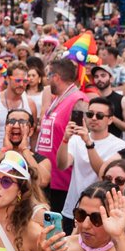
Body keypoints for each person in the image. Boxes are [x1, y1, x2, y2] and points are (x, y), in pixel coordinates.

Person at [57, 97, 125, 227]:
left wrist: (88, 143)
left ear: (110, 120)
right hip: (72, 208)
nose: (94, 118)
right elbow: (62, 165)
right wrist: (65, 140)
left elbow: (102, 173)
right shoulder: (76, 139)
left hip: (99, 212)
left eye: (100, 115)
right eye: (90, 114)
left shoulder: (119, 145)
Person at [35, 59, 88, 215]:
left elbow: (82, 137)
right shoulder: (58, 97)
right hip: (46, 177)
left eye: (49, 75)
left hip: (62, 181)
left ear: (56, 77)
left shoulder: (78, 99)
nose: (46, 80)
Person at [0, 61, 39, 148]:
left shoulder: (30, 104)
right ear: (7, 79)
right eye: (18, 80)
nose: (21, 84)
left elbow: (33, 136)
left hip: (22, 158)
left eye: (25, 81)